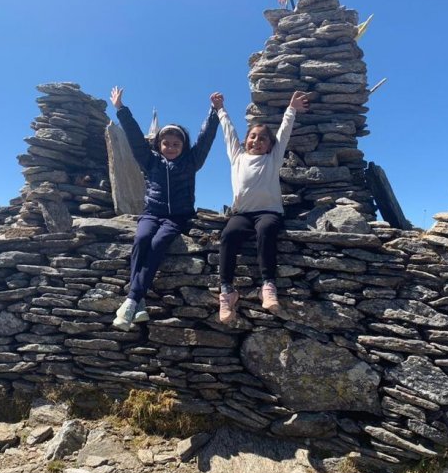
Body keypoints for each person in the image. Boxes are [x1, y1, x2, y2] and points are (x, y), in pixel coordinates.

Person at [110, 86, 221, 331]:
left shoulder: (191, 162)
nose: (170, 147)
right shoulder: (150, 161)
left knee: (159, 243)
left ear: (183, 146)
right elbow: (135, 139)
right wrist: (121, 110)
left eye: (176, 143)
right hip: (152, 212)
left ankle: (131, 299)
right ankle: (137, 303)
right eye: (165, 143)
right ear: (158, 144)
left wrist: (214, 112)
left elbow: (205, 140)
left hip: (178, 217)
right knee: (141, 239)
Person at [215, 90, 309, 323]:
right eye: (253, 137)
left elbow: (284, 133)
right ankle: (227, 291)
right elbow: (228, 131)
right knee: (228, 234)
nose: (257, 141)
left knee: (266, 230)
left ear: (269, 146)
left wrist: (291, 109)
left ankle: (267, 286)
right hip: (243, 214)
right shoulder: (237, 156)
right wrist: (220, 110)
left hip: (269, 213)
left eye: (263, 138)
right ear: (245, 140)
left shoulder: (272, 159)